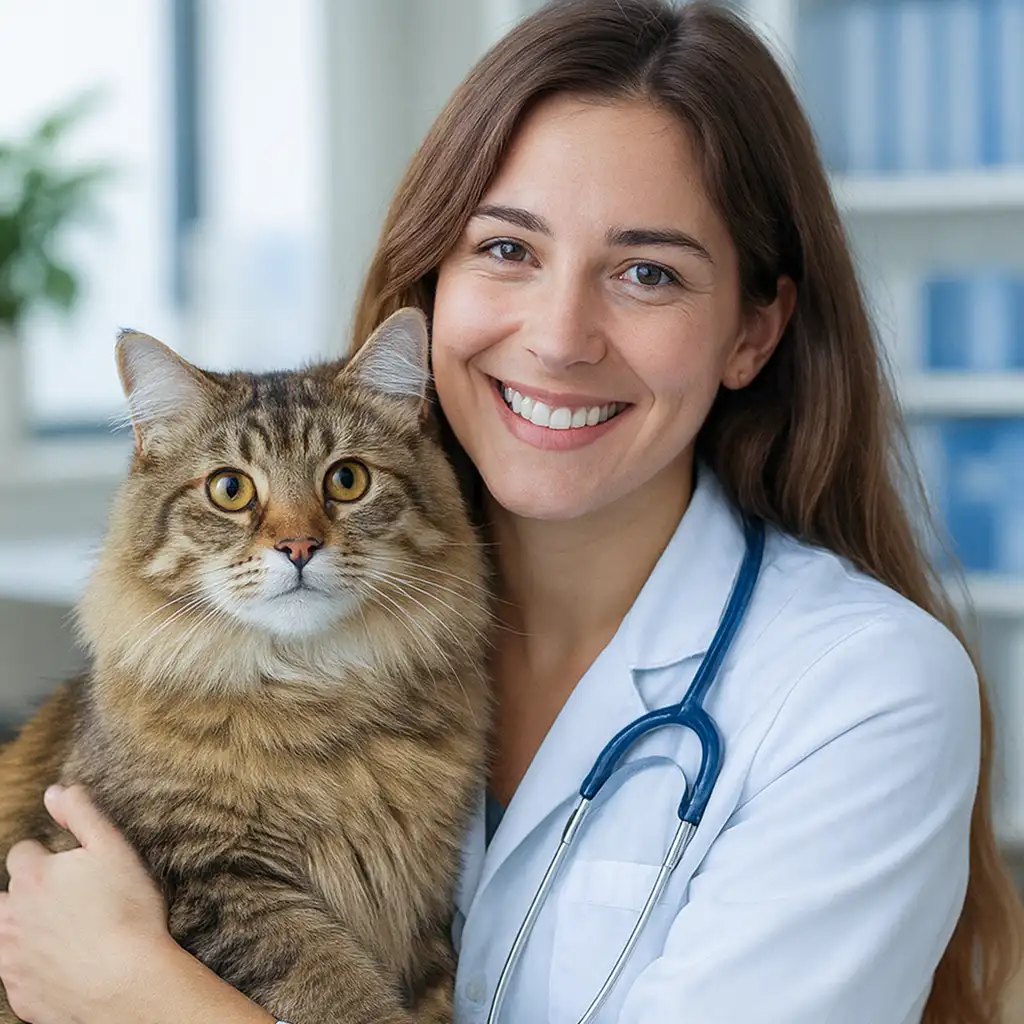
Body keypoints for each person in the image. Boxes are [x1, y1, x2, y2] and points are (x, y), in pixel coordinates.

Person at [0, 1, 1021, 1022]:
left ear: (753, 332)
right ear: (433, 282)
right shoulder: (316, 641)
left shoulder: (862, 690)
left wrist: (142, 992)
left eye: (646, 272)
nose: (560, 337)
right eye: (506, 251)